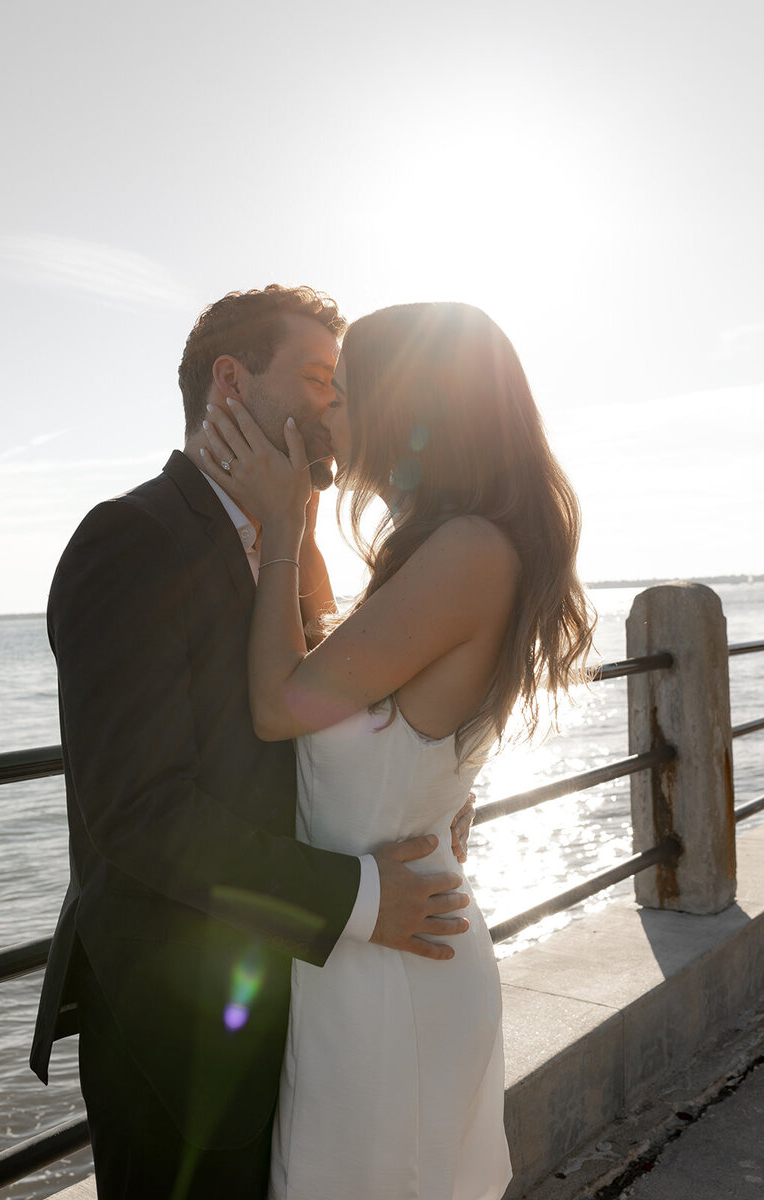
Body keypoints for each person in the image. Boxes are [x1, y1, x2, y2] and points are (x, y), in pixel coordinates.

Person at [30, 286, 476, 1200]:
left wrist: (418, 798)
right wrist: (360, 898)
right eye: (320, 378)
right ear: (230, 382)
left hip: (299, 1002)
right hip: (184, 1032)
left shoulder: (292, 547)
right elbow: (142, 813)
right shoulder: (132, 540)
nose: (337, 406)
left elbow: (322, 732)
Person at [200, 300, 596, 1200]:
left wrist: (282, 526)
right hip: (370, 951)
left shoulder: (467, 552)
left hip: (394, 977)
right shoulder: (450, 547)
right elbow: (335, 660)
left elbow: (278, 702)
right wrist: (295, 516)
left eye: (344, 393)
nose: (328, 412)